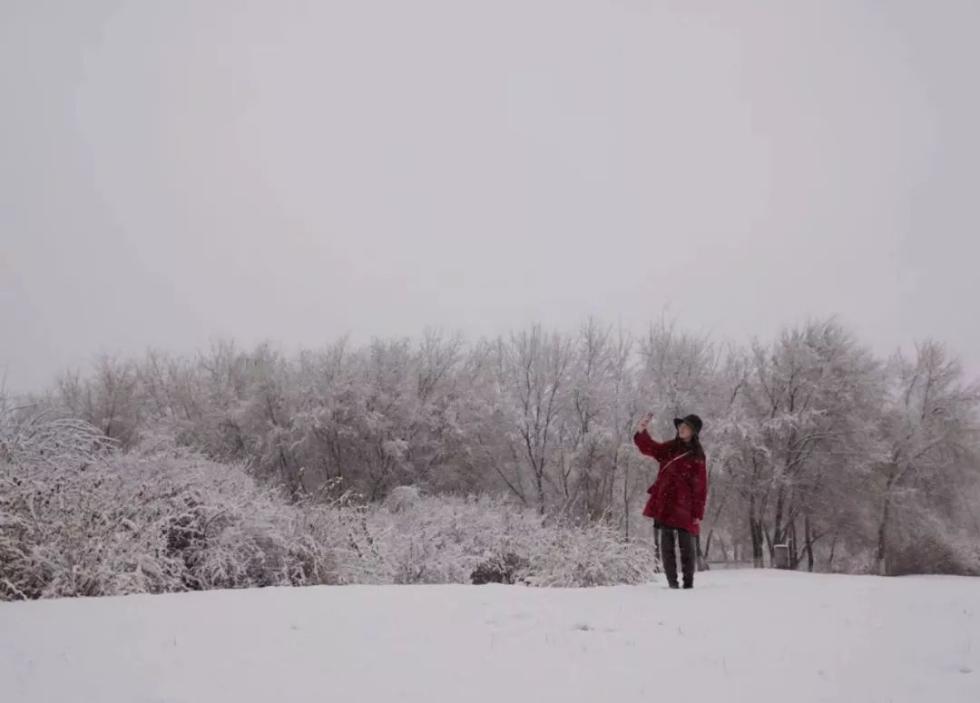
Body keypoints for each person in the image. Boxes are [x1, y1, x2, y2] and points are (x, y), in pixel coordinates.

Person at [633, 412, 708, 589]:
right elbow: (651, 448)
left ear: (693, 432)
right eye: (680, 426)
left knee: (686, 547)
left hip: (685, 505)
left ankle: (688, 583)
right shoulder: (670, 448)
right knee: (666, 547)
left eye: (685, 426)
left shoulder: (697, 455)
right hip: (665, 502)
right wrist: (642, 431)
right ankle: (672, 583)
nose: (681, 428)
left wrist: (697, 513)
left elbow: (700, 486)